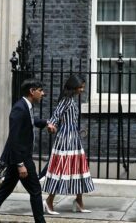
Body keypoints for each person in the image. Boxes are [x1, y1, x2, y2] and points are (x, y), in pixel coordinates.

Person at [0, 79, 56, 223]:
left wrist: (46, 123)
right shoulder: (19, 109)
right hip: (20, 157)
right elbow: (14, 138)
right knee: (35, 190)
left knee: (4, 192)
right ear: (32, 91)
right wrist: (20, 164)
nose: (43, 93)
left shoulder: (26, 106)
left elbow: (31, 121)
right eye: (40, 90)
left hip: (18, 157)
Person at [42, 74, 94, 215]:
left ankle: (79, 201)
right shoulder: (66, 100)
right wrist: (51, 125)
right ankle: (49, 201)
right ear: (74, 86)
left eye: (83, 87)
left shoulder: (70, 100)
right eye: (81, 87)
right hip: (65, 139)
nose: (82, 89)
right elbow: (55, 116)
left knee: (78, 169)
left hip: (73, 137)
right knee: (61, 169)